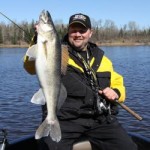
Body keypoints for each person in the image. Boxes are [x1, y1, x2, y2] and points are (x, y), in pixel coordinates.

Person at [24, 13, 137, 150]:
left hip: (100, 120)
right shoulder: (58, 51)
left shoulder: (102, 59)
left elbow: (117, 81)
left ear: (90, 33)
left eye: (82, 30)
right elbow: (29, 67)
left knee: (128, 147)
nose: (78, 34)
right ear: (68, 31)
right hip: (66, 120)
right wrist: (37, 39)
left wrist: (116, 92)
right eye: (74, 30)